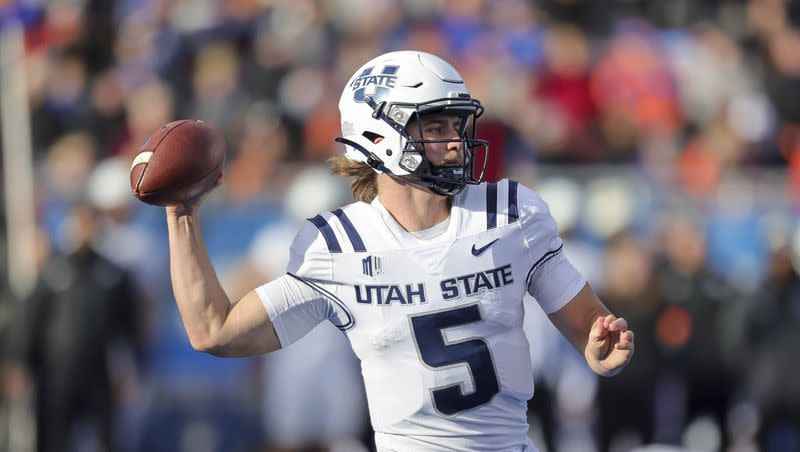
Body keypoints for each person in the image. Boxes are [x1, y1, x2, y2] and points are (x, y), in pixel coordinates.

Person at [163, 51, 634, 451]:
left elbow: (589, 328)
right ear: (378, 136)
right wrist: (181, 215)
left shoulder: (509, 215)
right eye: (435, 126)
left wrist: (600, 348)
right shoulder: (338, 247)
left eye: (457, 122)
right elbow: (214, 332)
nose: (456, 142)